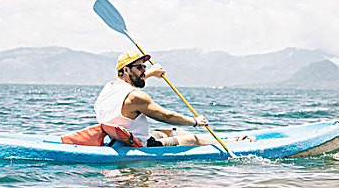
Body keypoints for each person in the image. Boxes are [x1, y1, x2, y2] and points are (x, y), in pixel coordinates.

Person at [94, 50, 251, 147]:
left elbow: (132, 83)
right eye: (140, 67)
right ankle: (235, 144)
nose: (144, 70)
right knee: (192, 139)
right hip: (141, 145)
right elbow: (166, 116)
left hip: (124, 139)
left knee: (175, 132)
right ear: (127, 70)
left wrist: (151, 74)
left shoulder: (110, 87)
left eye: (145, 67)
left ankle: (223, 140)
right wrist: (195, 122)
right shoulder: (136, 97)